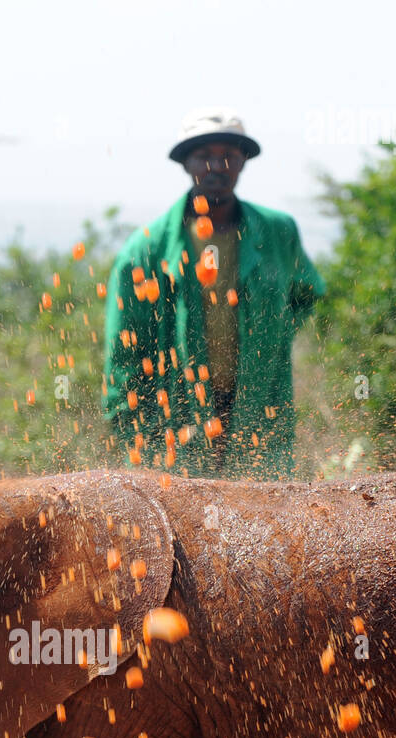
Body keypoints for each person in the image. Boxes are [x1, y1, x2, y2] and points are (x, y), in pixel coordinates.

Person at [103, 108, 325, 476]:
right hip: (176, 409)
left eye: (230, 156)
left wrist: (273, 336)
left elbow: (307, 291)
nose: (217, 166)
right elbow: (123, 352)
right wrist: (132, 430)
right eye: (204, 156)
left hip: (258, 400)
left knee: (263, 513)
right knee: (184, 520)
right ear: (185, 163)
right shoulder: (146, 250)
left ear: (243, 163)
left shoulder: (277, 232)